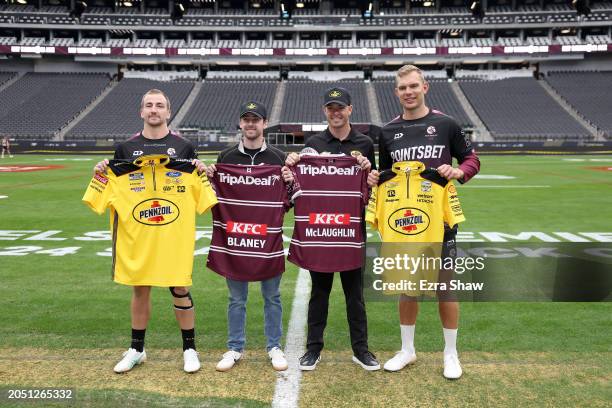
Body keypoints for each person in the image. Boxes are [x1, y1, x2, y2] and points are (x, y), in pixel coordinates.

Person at [374, 64, 480, 379]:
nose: (408, 92)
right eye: (402, 87)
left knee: (445, 287)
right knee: (408, 287)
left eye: (413, 86)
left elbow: (472, 158)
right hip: (404, 224)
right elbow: (384, 177)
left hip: (440, 221)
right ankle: (407, 350)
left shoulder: (445, 124)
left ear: (424, 87)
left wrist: (460, 172)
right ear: (396, 92)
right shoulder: (388, 131)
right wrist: (373, 179)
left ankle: (451, 354)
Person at [93, 89, 207, 374]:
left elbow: (202, 189)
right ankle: (136, 349)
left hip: (173, 236)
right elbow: (108, 185)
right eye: (149, 105)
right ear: (141, 112)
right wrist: (100, 171)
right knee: (140, 287)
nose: (154, 110)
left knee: (180, 287)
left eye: (159, 105)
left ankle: (190, 349)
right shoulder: (124, 150)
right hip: (139, 236)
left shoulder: (185, 148)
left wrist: (204, 172)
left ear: (168, 112)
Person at [285, 87, 380, 371]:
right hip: (320, 231)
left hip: (351, 232)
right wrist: (292, 163)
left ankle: (361, 349)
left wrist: (369, 170)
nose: (336, 112)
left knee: (355, 295)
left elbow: (371, 185)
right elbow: (299, 181)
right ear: (325, 111)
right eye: (331, 108)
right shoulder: (313, 143)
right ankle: (313, 349)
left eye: (340, 107)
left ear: (350, 109)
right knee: (320, 292)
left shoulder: (364, 143)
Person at [205, 101, 294, 372]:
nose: (251, 124)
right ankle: (234, 347)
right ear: (240, 123)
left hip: (268, 241)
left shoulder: (279, 158)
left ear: (265, 123)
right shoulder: (226, 157)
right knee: (236, 299)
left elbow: (289, 201)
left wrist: (289, 182)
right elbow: (215, 198)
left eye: (256, 119)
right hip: (236, 242)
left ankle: (274, 346)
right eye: (246, 119)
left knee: (272, 297)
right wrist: (210, 179)